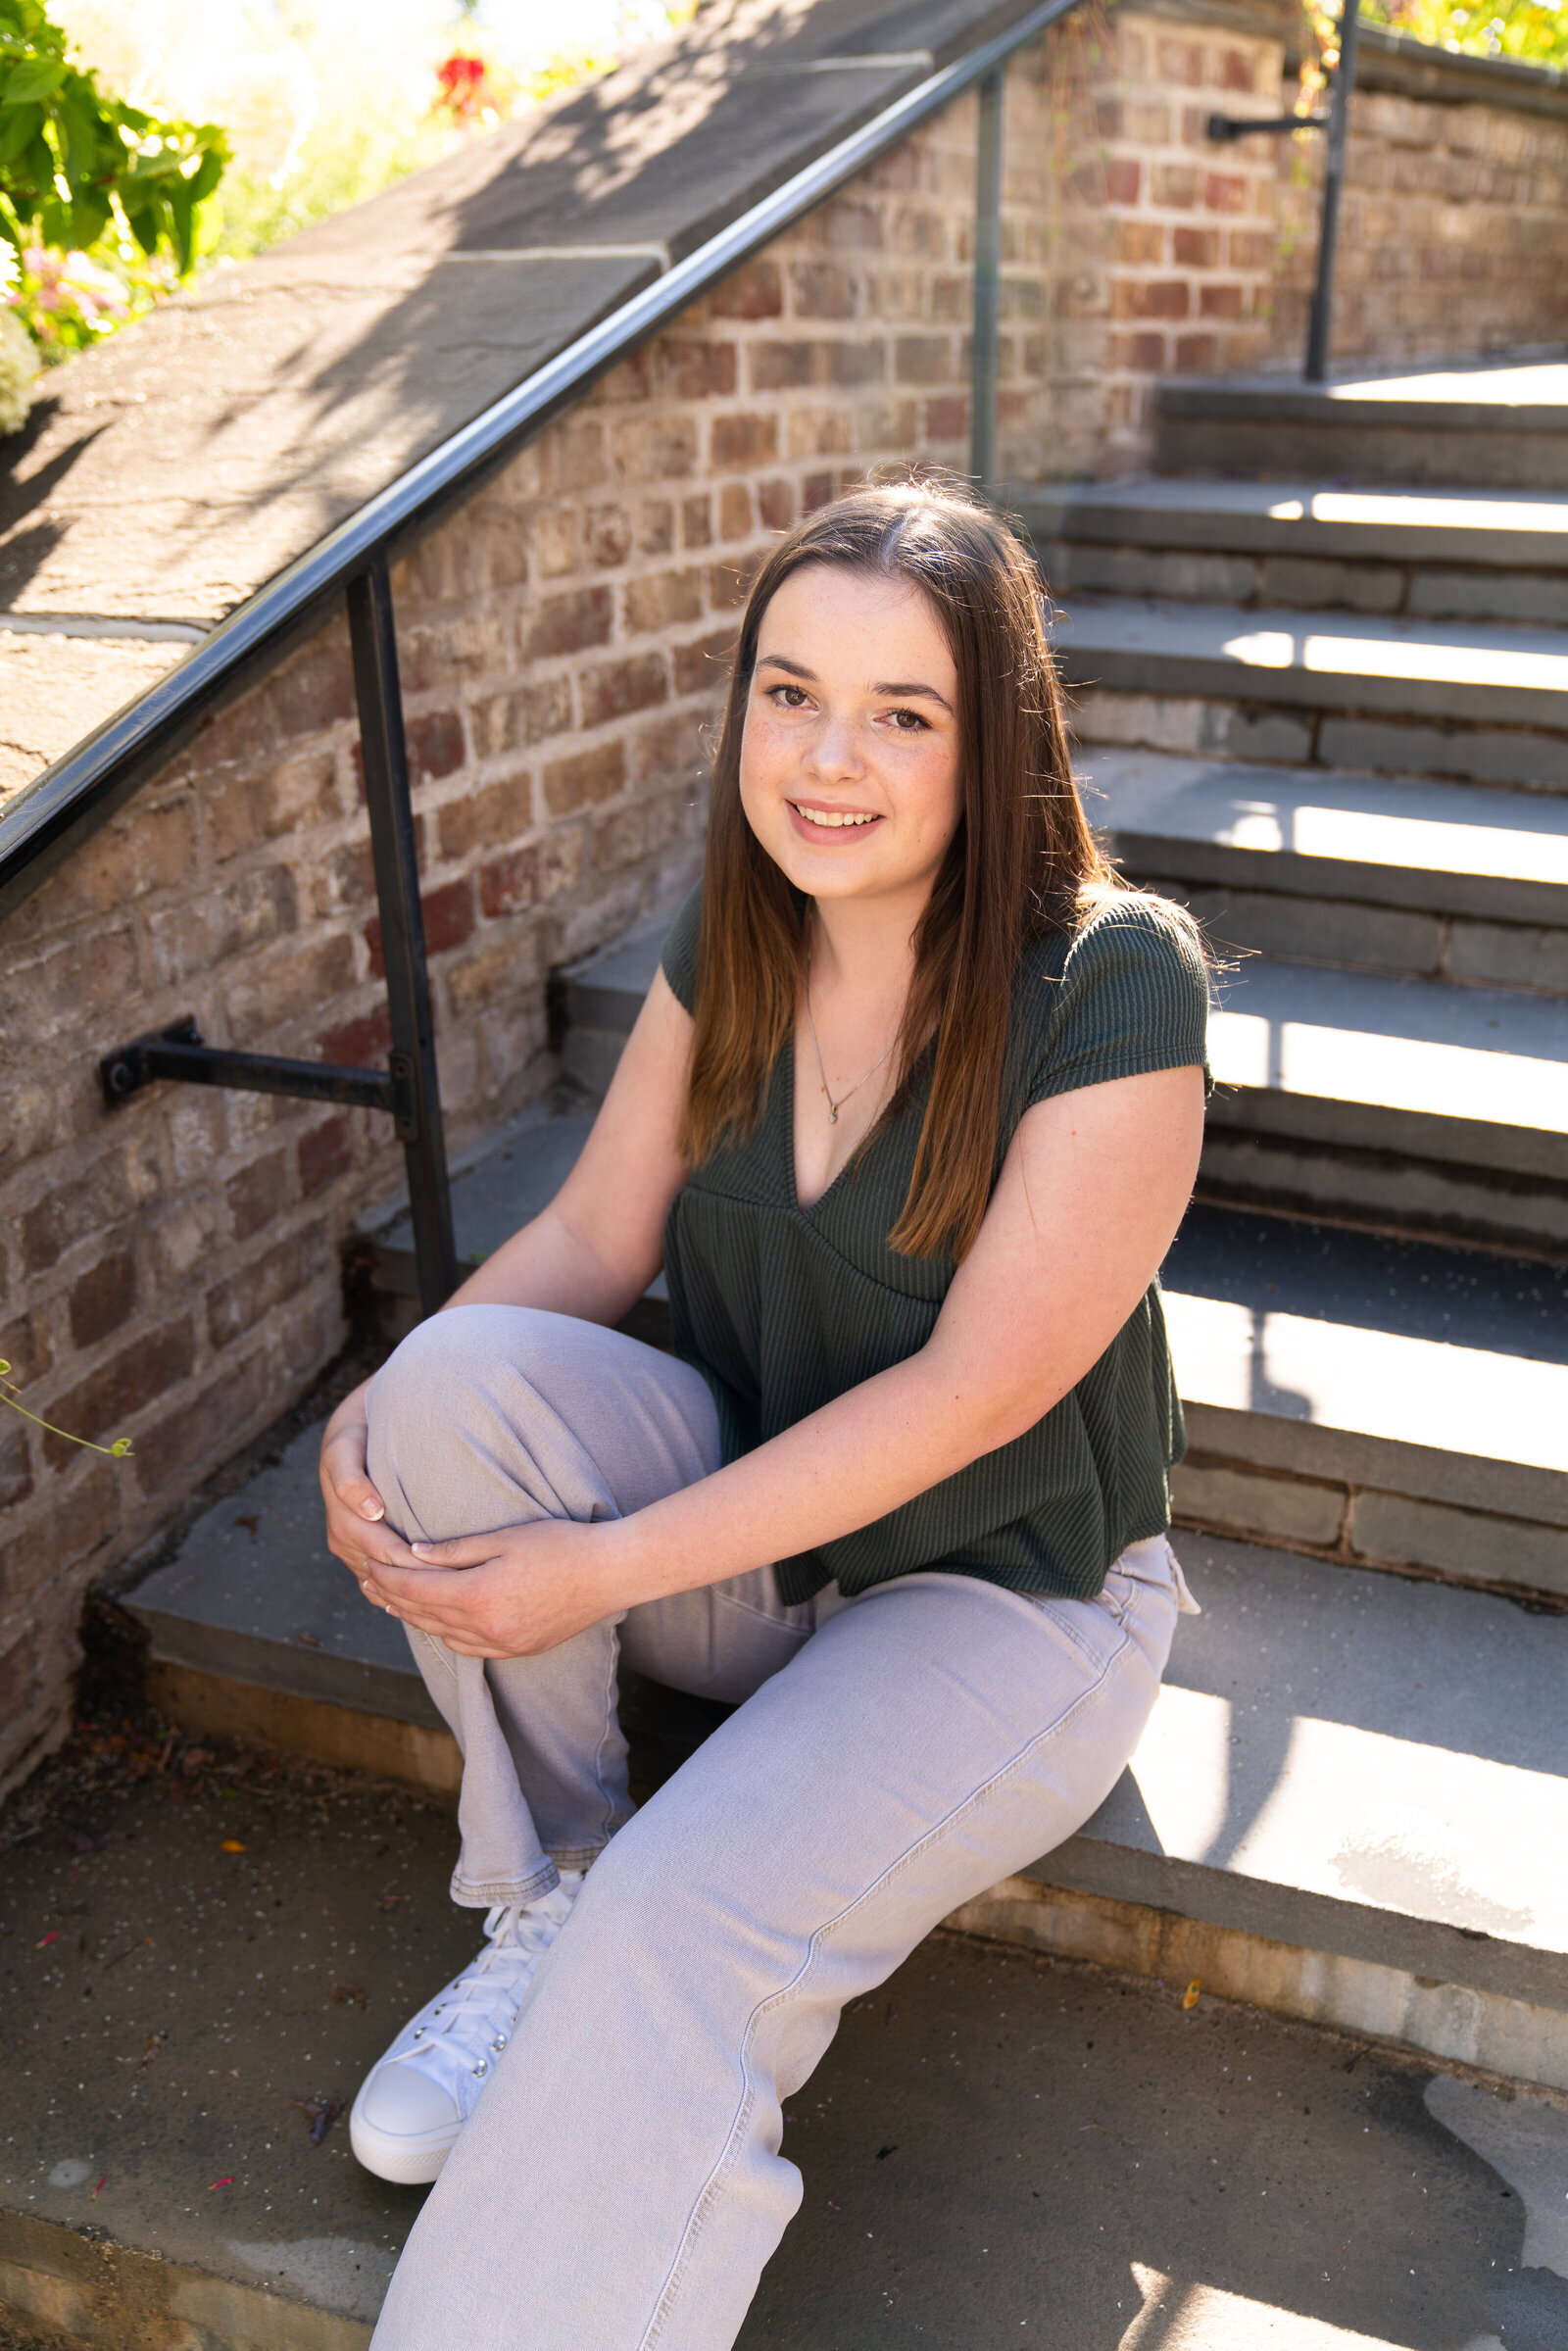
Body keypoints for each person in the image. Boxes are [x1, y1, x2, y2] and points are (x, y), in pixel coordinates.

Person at [318, 481, 1209, 2351]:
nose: (829, 757)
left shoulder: (1111, 985)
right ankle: (544, 1896)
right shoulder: (734, 938)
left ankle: (611, 1954)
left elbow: (976, 1398)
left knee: (684, 1926)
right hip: (758, 1550)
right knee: (449, 1390)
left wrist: (603, 1569)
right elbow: (587, 1233)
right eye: (790, 692)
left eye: (903, 713)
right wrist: (373, 1414)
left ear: (1000, 741)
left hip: (1003, 1599)